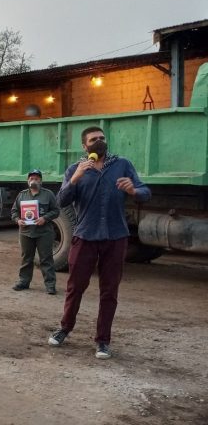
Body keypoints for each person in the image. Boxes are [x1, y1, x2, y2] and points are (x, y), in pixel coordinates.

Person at [48, 126, 150, 360]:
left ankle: (103, 341)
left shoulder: (122, 164)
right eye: (94, 139)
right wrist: (74, 179)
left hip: (115, 237)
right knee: (75, 287)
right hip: (85, 237)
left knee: (109, 291)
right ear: (85, 146)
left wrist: (134, 189)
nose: (99, 142)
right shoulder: (75, 169)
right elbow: (61, 201)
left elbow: (146, 192)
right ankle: (65, 328)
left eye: (102, 138)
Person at [10, 169, 60, 294]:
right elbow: (14, 211)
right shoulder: (22, 195)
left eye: (37, 178)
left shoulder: (48, 194)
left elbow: (56, 211)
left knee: (46, 259)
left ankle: (50, 285)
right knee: (26, 258)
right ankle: (24, 282)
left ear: (41, 181)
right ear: (28, 180)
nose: (34, 180)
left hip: (44, 233)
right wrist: (17, 220)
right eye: (31, 178)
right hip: (26, 232)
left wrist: (45, 218)